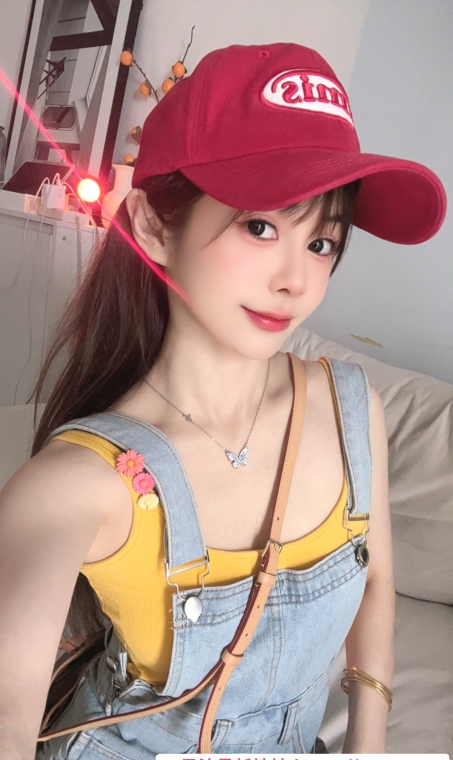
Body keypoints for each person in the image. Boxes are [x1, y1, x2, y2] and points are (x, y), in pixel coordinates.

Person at [0, 42, 446, 759]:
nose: (295, 281)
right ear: (153, 227)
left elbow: (375, 588)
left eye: (322, 242)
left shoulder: (350, 410)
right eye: (260, 226)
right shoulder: (78, 483)